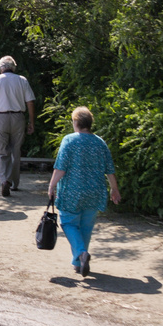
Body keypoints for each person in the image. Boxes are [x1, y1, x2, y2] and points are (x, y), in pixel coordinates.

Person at [48, 106, 121, 277]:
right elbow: (109, 169)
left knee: (68, 223)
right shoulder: (100, 142)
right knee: (86, 227)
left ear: (75, 122)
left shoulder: (69, 140)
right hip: (95, 192)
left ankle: (81, 253)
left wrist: (51, 186)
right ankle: (78, 262)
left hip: (72, 192)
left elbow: (61, 167)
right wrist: (114, 189)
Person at [0, 55, 36, 196]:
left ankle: (4, 180)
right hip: (18, 117)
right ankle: (14, 183)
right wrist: (31, 122)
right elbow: (30, 102)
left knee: (1, 152)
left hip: (0, 117)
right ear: (13, 67)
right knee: (15, 151)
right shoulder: (22, 80)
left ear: (1, 68)